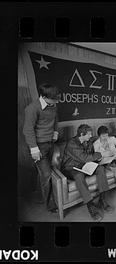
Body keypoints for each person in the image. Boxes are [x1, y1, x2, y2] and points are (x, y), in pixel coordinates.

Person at [61, 124, 112, 221]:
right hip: (70, 168)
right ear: (81, 134)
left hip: (83, 165)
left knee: (100, 168)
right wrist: (100, 154)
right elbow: (84, 158)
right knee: (79, 175)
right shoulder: (72, 144)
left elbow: (90, 155)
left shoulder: (87, 141)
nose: (90, 136)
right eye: (89, 134)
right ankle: (90, 206)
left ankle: (102, 199)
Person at [23, 83, 60, 212]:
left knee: (44, 174)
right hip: (38, 146)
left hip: (50, 143)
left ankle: (40, 196)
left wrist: (55, 132)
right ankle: (50, 205)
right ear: (44, 96)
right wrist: (34, 149)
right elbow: (28, 130)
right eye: (54, 99)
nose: (57, 101)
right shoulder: (32, 108)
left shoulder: (53, 105)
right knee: (47, 174)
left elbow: (55, 119)